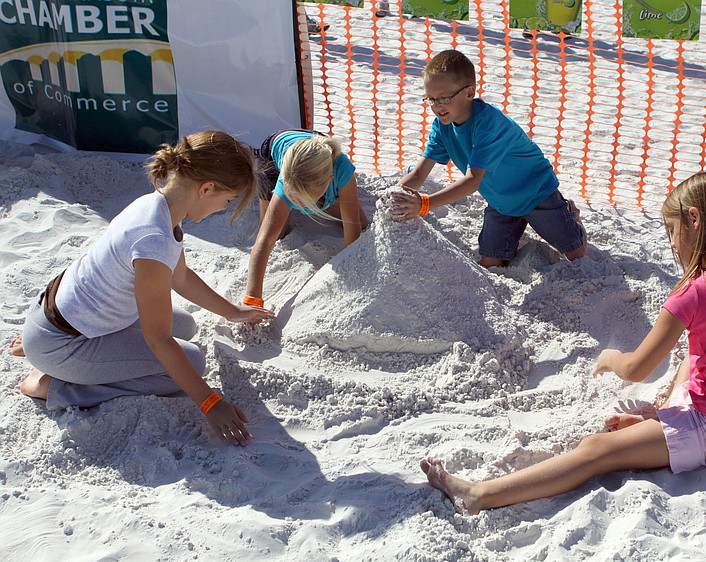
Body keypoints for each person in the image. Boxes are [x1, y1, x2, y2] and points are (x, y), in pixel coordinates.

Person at [421, 171, 706, 514]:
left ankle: (479, 495)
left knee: (596, 449)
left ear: (695, 219)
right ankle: (660, 420)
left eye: (673, 231)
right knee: (695, 354)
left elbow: (637, 369)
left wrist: (611, 357)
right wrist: (664, 413)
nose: (673, 243)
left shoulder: (693, 294)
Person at [18, 131, 274, 446]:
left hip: (56, 317)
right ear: (206, 188)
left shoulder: (157, 205)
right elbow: (158, 340)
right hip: (63, 343)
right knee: (191, 362)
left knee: (185, 325)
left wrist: (233, 312)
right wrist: (210, 402)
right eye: (228, 200)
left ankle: (43, 348)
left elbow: (180, 278)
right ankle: (57, 387)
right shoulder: (153, 240)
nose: (223, 207)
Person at [390, 49, 587, 267]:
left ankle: (570, 213)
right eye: (431, 99)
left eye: (444, 98)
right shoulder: (442, 126)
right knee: (491, 262)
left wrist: (424, 204)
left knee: (576, 252)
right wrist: (393, 194)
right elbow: (419, 173)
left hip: (536, 193)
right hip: (500, 201)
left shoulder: (489, 123)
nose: (437, 106)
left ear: (469, 92)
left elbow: (472, 181)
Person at [243, 130, 368, 308]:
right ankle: (281, 198)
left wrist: (349, 269)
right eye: (292, 198)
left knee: (361, 222)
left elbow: (352, 226)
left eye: (302, 201)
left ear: (330, 180)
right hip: (273, 151)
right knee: (277, 233)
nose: (298, 206)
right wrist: (252, 299)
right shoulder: (287, 180)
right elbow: (264, 240)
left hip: (315, 153)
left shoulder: (342, 169)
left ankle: (319, 200)